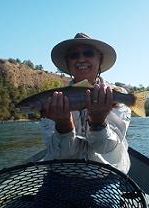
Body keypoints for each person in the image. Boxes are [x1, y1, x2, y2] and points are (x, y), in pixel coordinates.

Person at [40, 32, 131, 174]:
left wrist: (98, 123)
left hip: (105, 174)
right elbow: (62, 154)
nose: (81, 59)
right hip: (62, 173)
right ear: (68, 63)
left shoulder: (118, 95)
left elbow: (105, 148)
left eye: (88, 53)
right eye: (74, 55)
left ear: (99, 59)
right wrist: (64, 125)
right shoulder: (53, 100)